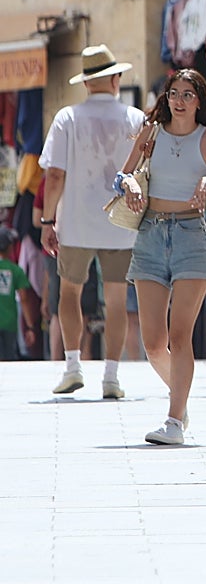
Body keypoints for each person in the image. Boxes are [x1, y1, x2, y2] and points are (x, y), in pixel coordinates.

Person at [119, 69, 206, 444]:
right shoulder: (151, 134)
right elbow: (122, 175)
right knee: (153, 343)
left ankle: (173, 421)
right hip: (150, 234)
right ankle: (180, 400)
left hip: (190, 237)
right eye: (174, 93)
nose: (179, 101)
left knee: (180, 336)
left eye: (187, 94)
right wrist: (131, 182)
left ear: (200, 100)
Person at [39, 45, 145, 397]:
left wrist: (46, 220)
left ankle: (73, 366)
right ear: (115, 79)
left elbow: (54, 175)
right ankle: (112, 376)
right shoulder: (134, 118)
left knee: (69, 291)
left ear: (86, 83)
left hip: (76, 221)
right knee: (116, 300)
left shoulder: (67, 118)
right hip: (120, 220)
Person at [0, 226, 34, 361]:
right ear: (9, 247)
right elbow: (24, 299)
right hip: (9, 323)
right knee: (8, 361)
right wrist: (30, 326)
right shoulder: (15, 270)